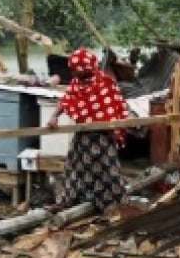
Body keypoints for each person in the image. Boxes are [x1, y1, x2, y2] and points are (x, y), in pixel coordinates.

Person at [46, 48, 130, 213]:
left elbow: (116, 108)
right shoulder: (76, 83)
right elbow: (66, 100)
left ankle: (116, 206)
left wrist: (114, 130)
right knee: (74, 169)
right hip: (82, 135)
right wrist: (54, 116)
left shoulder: (105, 83)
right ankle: (66, 201)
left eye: (77, 70)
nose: (74, 74)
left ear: (88, 68)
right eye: (73, 70)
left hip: (103, 137)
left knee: (107, 171)